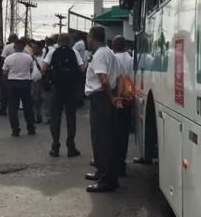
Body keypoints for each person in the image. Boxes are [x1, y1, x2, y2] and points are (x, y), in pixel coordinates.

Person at [84, 26, 124, 193]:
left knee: (101, 140)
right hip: (107, 99)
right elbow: (120, 78)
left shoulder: (100, 55)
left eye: (88, 36)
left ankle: (106, 180)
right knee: (107, 138)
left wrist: (111, 97)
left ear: (93, 37)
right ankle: (104, 173)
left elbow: (104, 80)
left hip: (101, 99)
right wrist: (117, 97)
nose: (87, 39)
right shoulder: (109, 53)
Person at [42, 33, 85, 158]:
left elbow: (44, 68)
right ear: (69, 41)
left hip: (56, 89)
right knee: (71, 118)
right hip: (71, 90)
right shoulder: (74, 52)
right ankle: (71, 147)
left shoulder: (52, 52)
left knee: (55, 118)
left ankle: (55, 147)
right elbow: (82, 69)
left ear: (58, 41)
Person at [2, 39, 36, 137]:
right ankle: (30, 127)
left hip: (12, 83)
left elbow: (4, 73)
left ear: (14, 47)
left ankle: (15, 129)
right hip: (25, 83)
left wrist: (7, 83)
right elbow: (31, 69)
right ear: (24, 47)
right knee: (27, 106)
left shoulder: (8, 58)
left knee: (13, 108)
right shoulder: (29, 57)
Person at [112, 35, 134, 176]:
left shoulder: (112, 58)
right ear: (125, 46)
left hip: (115, 97)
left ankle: (112, 162)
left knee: (111, 131)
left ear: (113, 46)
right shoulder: (130, 59)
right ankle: (122, 162)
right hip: (128, 97)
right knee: (123, 132)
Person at [0, 34, 30, 116]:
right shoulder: (25, 49)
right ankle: (27, 113)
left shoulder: (7, 47)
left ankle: (3, 110)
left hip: (9, 74)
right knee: (23, 97)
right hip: (23, 77)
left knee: (5, 93)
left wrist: (3, 72)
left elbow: (3, 59)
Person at [31, 40, 50, 124]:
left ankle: (49, 116)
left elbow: (48, 69)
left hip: (43, 82)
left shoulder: (46, 57)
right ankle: (38, 116)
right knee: (35, 100)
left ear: (40, 48)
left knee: (46, 100)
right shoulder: (33, 57)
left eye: (34, 48)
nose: (33, 49)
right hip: (34, 82)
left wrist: (42, 77)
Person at [73, 31, 87, 108]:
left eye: (76, 35)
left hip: (78, 66)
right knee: (80, 85)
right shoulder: (82, 42)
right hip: (81, 65)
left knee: (78, 85)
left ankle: (78, 101)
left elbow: (72, 51)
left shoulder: (79, 44)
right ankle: (80, 101)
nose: (74, 36)